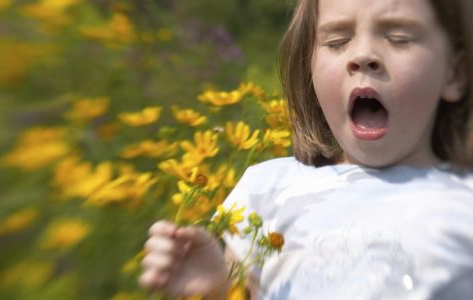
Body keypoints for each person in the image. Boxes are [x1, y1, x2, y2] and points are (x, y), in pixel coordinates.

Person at [139, 0, 473, 298]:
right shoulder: (269, 189)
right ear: (309, 65)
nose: (362, 56)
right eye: (337, 41)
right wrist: (216, 290)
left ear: (454, 72)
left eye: (399, 38)